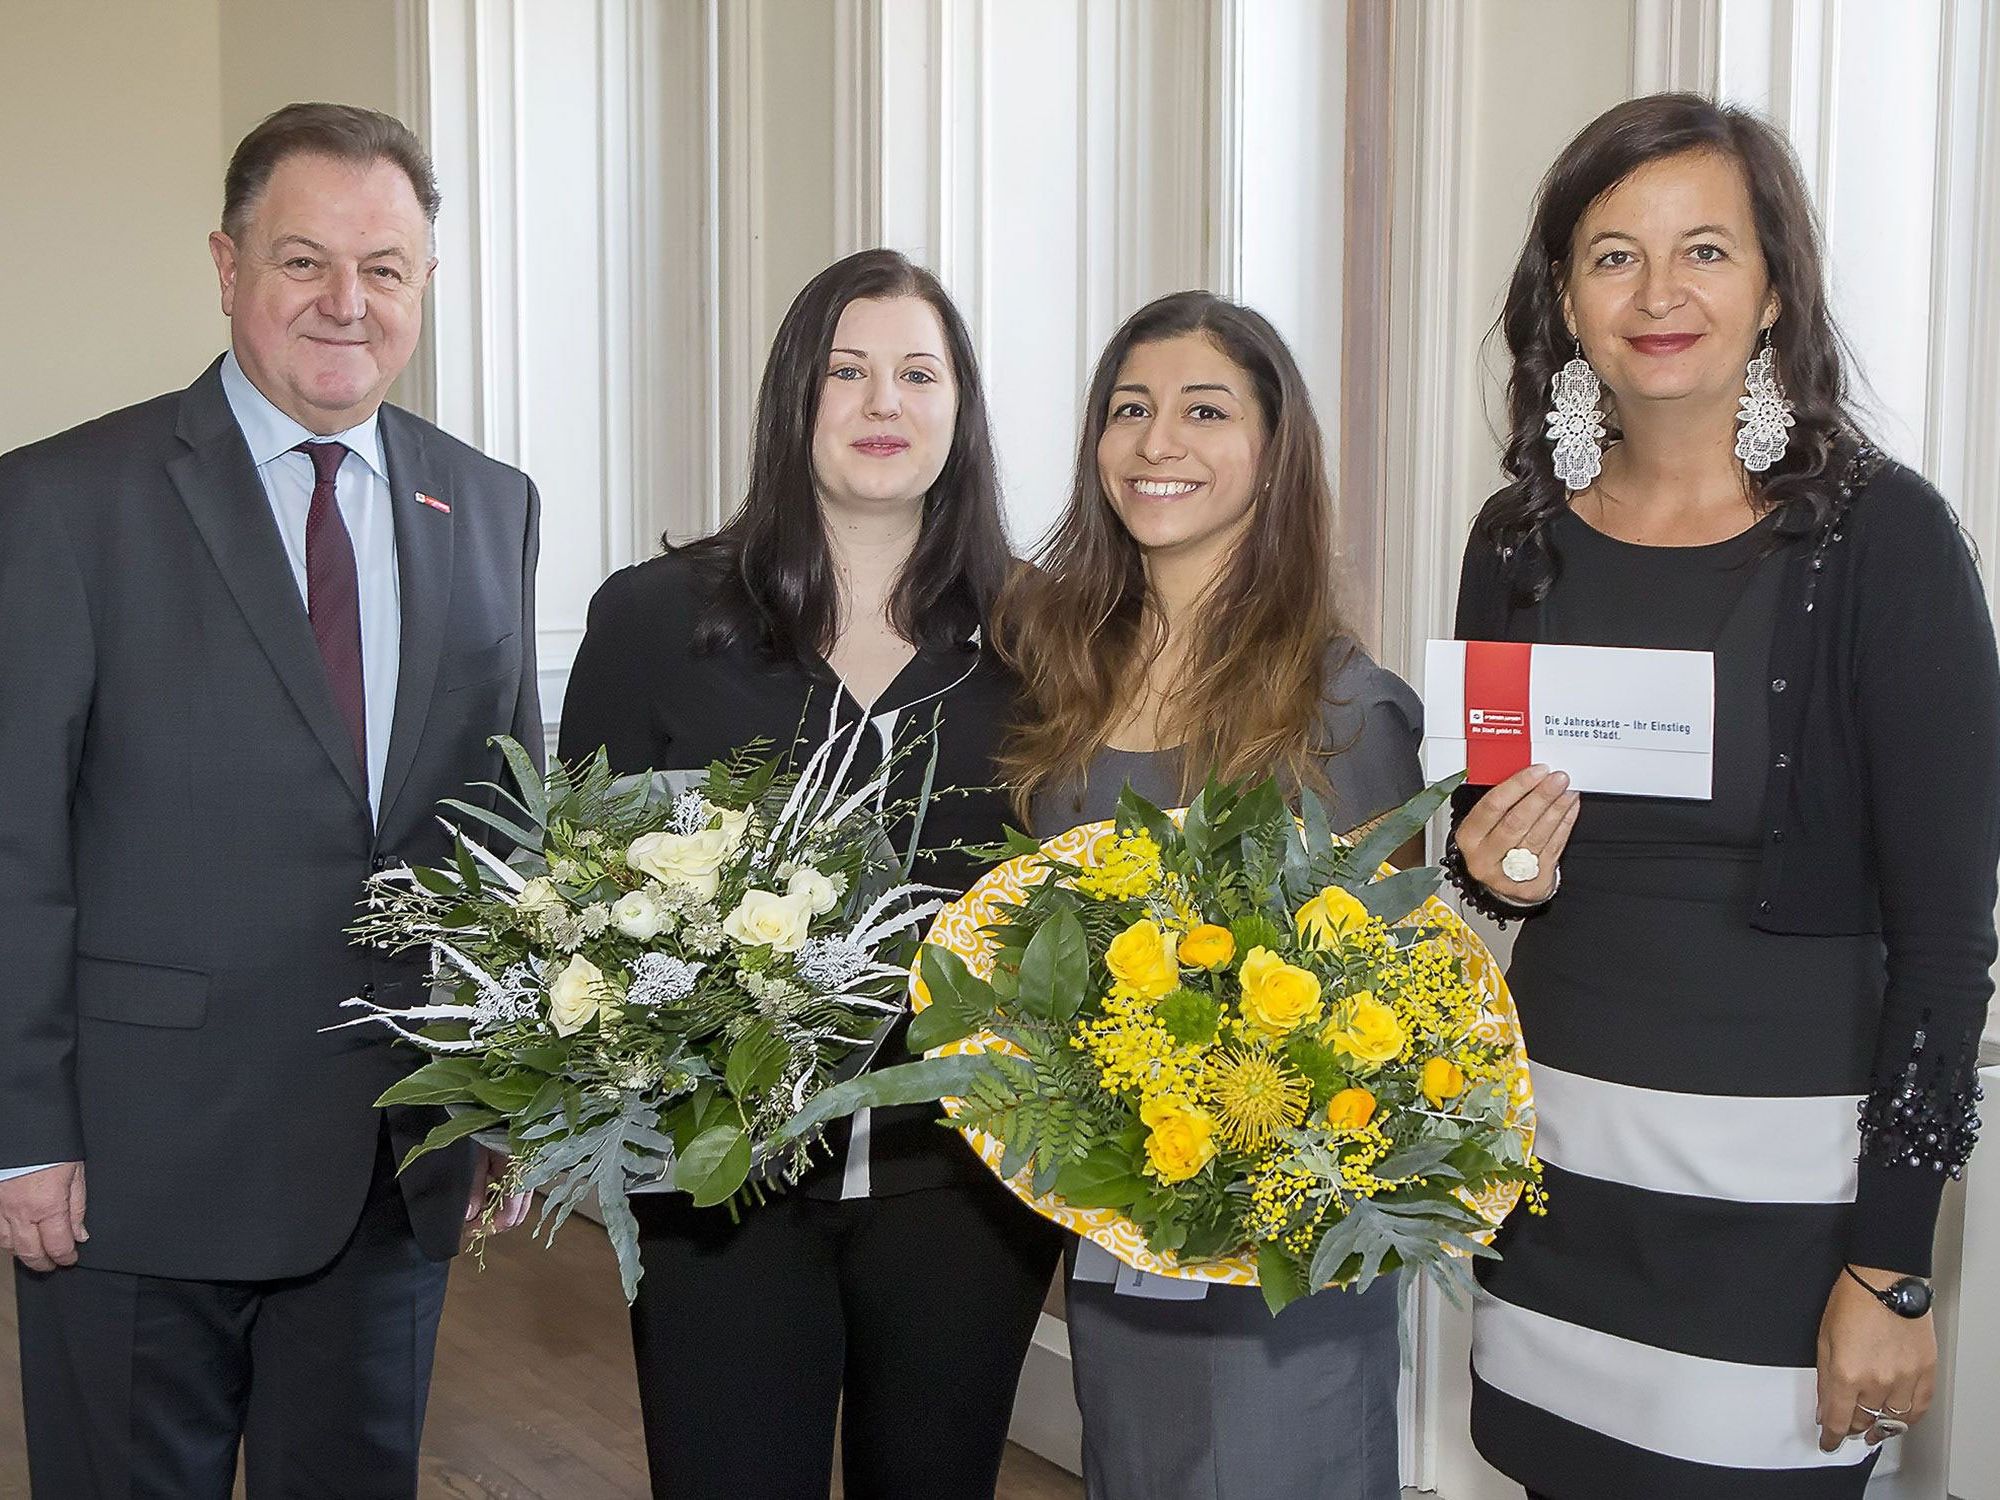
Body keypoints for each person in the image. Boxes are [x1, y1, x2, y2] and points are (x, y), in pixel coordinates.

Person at [1446, 93, 1999, 1500]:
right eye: (1613, 255)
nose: (1659, 291)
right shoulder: (1514, 546)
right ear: (1565, 302)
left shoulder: (1887, 541)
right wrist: (1492, 871)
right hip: (1560, 1173)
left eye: (1705, 249)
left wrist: (1895, 1262)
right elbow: (1485, 846)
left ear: (1771, 292)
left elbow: (1946, 940)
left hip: (1793, 1206)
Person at [0, 103, 543, 1497]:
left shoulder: (488, 505)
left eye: (386, 268)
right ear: (226, 266)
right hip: (134, 1162)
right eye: (303, 261)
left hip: (391, 1164)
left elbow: (507, 835)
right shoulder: (62, 502)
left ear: (426, 285)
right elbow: (15, 843)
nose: (345, 303)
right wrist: (22, 1132)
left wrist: (511, 1094)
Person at [557, 247, 1064, 1500]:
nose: (882, 403)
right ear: (795, 400)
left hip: (962, 1189)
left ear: (961, 409)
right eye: (846, 371)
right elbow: (570, 901)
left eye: (915, 373)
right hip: (715, 1181)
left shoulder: (1048, 639)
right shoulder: (652, 619)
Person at [993, 290, 1419, 1498]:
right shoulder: (1065, 675)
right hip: (1115, 1220)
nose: (1156, 441)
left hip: (1272, 1253)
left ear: (1272, 451)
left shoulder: (1339, 707)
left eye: (1202, 410)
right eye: (1128, 410)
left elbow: (1384, 1022)